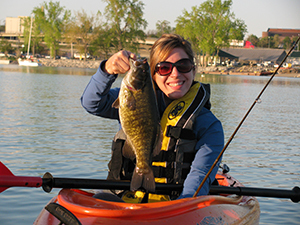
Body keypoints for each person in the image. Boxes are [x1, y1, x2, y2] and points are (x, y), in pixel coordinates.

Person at [81, 34, 224, 200]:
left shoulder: (209, 125)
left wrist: (180, 207)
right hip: (127, 201)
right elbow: (91, 103)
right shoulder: (132, 98)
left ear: (193, 69)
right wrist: (106, 70)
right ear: (153, 74)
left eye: (183, 65)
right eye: (164, 68)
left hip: (174, 204)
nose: (175, 74)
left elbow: (200, 174)